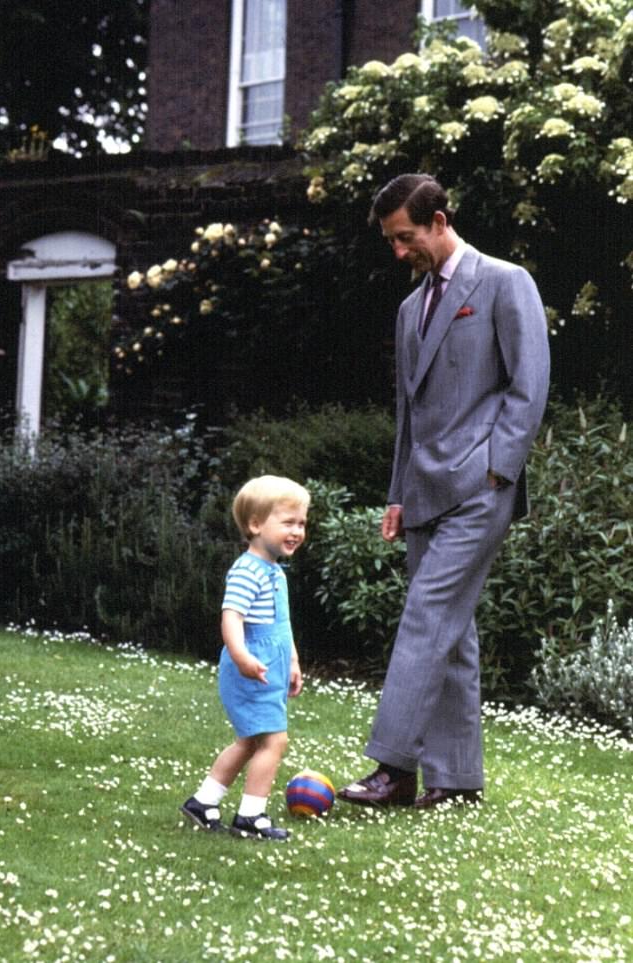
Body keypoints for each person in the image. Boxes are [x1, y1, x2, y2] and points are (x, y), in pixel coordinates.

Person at [337, 173, 550, 810]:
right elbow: (409, 412)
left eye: (406, 238)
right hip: (423, 492)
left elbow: (529, 384)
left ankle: (394, 768)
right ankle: (455, 781)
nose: (400, 252)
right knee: (451, 633)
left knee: (427, 616)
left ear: (439, 220)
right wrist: (398, 494)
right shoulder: (410, 309)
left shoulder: (506, 282)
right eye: (391, 242)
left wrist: (498, 469)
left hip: (481, 488)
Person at [181, 474, 310, 841]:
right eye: (287, 522)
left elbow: (281, 626)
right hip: (250, 668)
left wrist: (293, 663)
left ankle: (204, 802)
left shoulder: (275, 573)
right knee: (274, 741)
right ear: (255, 525)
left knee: (250, 741)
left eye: (301, 523)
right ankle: (251, 815)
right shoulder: (247, 571)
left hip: (269, 667)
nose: (297, 531)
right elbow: (231, 618)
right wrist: (241, 658)